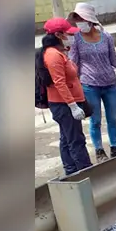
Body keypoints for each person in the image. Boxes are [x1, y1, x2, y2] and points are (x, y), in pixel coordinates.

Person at [67, 2, 116, 162]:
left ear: (90, 20)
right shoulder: (76, 40)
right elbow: (73, 64)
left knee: (112, 118)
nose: (79, 22)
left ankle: (115, 147)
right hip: (89, 86)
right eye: (77, 19)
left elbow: (114, 60)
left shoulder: (106, 37)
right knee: (95, 120)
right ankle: (99, 151)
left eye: (81, 18)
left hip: (110, 84)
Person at [39, 17, 93, 174]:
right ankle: (85, 170)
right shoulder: (53, 55)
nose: (71, 36)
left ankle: (71, 170)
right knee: (76, 140)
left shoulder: (60, 52)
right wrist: (73, 106)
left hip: (66, 103)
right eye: (68, 34)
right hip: (64, 105)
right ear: (58, 35)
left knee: (67, 138)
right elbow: (59, 83)